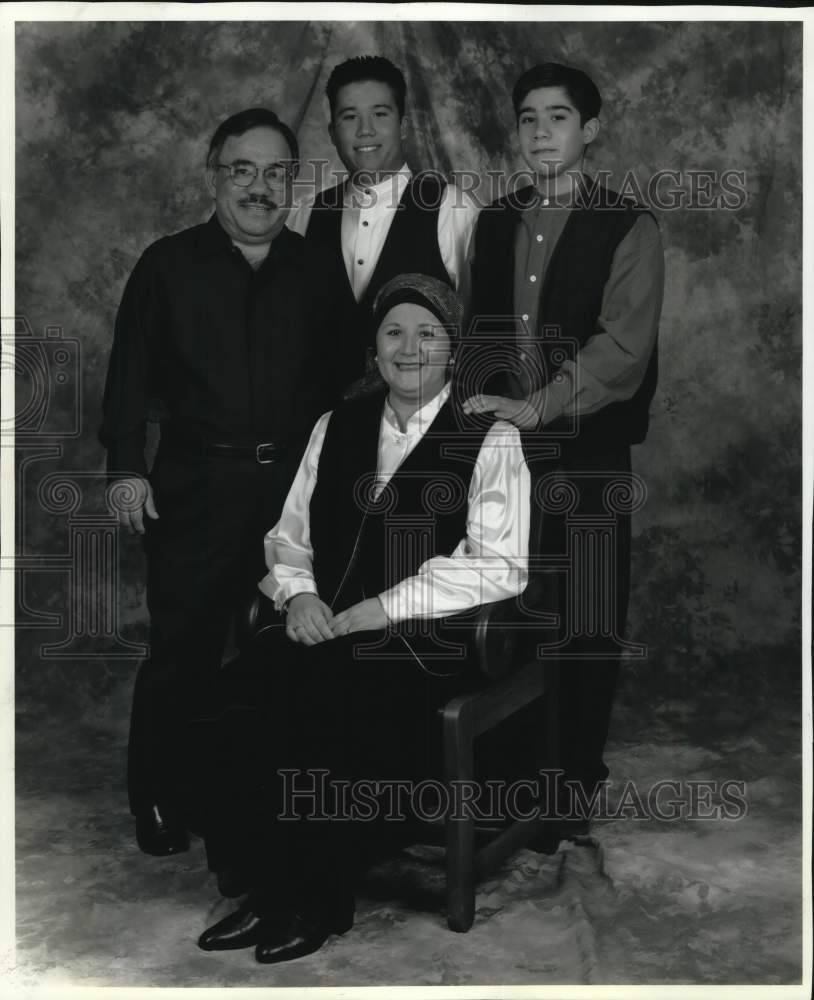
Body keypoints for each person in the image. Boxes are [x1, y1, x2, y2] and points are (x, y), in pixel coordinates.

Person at [195, 273, 530, 964]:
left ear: (452, 347)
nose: (410, 348)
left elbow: (498, 563)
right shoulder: (336, 425)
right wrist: (300, 597)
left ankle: (316, 899)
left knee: (326, 703)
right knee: (239, 692)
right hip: (325, 629)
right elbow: (289, 537)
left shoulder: (488, 437)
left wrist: (381, 609)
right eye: (394, 332)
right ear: (374, 347)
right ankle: (264, 886)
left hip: (422, 645)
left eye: (427, 333)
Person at [99, 108, 351, 857]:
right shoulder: (166, 266)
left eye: (277, 172)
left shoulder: (314, 268)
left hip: (293, 493)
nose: (260, 186)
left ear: (292, 183)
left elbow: (343, 386)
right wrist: (124, 471)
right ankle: (159, 800)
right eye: (244, 169)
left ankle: (261, 807)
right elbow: (128, 379)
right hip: (197, 489)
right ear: (215, 174)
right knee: (184, 652)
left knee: (292, 649)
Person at [461, 63, 664, 832]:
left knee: (584, 619)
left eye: (558, 118)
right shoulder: (494, 222)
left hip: (586, 454)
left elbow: (622, 352)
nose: (541, 132)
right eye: (529, 119)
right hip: (503, 456)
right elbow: (477, 335)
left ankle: (567, 789)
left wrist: (537, 407)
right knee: (506, 609)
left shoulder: (629, 227)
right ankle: (510, 780)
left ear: (591, 129)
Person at [287, 55, 480, 387]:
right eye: (350, 117)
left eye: (380, 114)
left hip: (418, 423)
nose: (365, 130)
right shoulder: (305, 214)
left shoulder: (453, 208)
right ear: (333, 131)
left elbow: (475, 325)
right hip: (321, 423)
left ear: (403, 126)